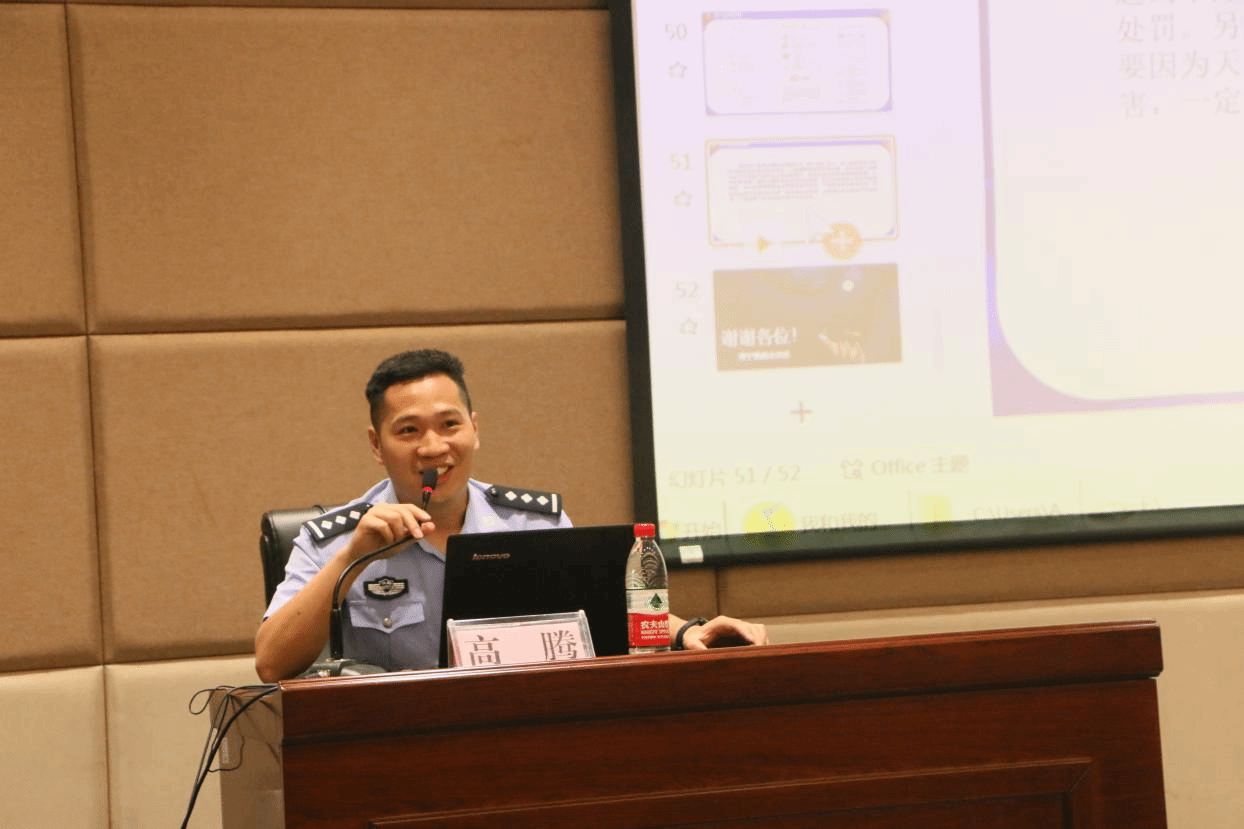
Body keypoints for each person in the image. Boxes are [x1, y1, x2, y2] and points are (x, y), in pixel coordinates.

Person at [255, 349, 767, 681]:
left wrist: (685, 632)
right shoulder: (333, 539)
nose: (433, 447)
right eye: (408, 431)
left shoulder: (532, 524)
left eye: (449, 424)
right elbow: (271, 664)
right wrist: (353, 559)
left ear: (474, 429)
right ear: (376, 445)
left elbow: (601, 615)